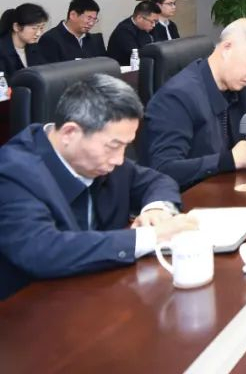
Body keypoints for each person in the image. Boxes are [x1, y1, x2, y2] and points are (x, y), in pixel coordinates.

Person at [0, 75, 196, 299]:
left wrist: (156, 209)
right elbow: (44, 250)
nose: (119, 160)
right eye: (114, 146)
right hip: (35, 306)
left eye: (125, 146)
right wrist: (151, 237)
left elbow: (156, 181)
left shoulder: (102, 159)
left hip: (99, 291)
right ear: (70, 133)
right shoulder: (13, 173)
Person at [142, 19, 246, 189]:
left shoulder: (240, 85)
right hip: (188, 198)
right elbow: (163, 169)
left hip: (226, 189)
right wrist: (232, 159)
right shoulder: (176, 96)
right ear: (227, 48)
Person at [37, 0, 107, 63]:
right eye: (89, 18)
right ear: (73, 15)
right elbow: (51, 69)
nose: (91, 23)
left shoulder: (95, 40)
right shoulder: (50, 39)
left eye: (94, 19)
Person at [105, 1, 160, 66]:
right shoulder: (123, 31)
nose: (154, 25)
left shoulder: (145, 27)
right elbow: (137, 54)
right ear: (139, 18)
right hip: (123, 68)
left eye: (156, 22)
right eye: (152, 21)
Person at [0, 3, 48, 75]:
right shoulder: (2, 50)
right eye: (34, 28)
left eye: (41, 28)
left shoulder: (35, 48)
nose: (38, 33)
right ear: (16, 27)